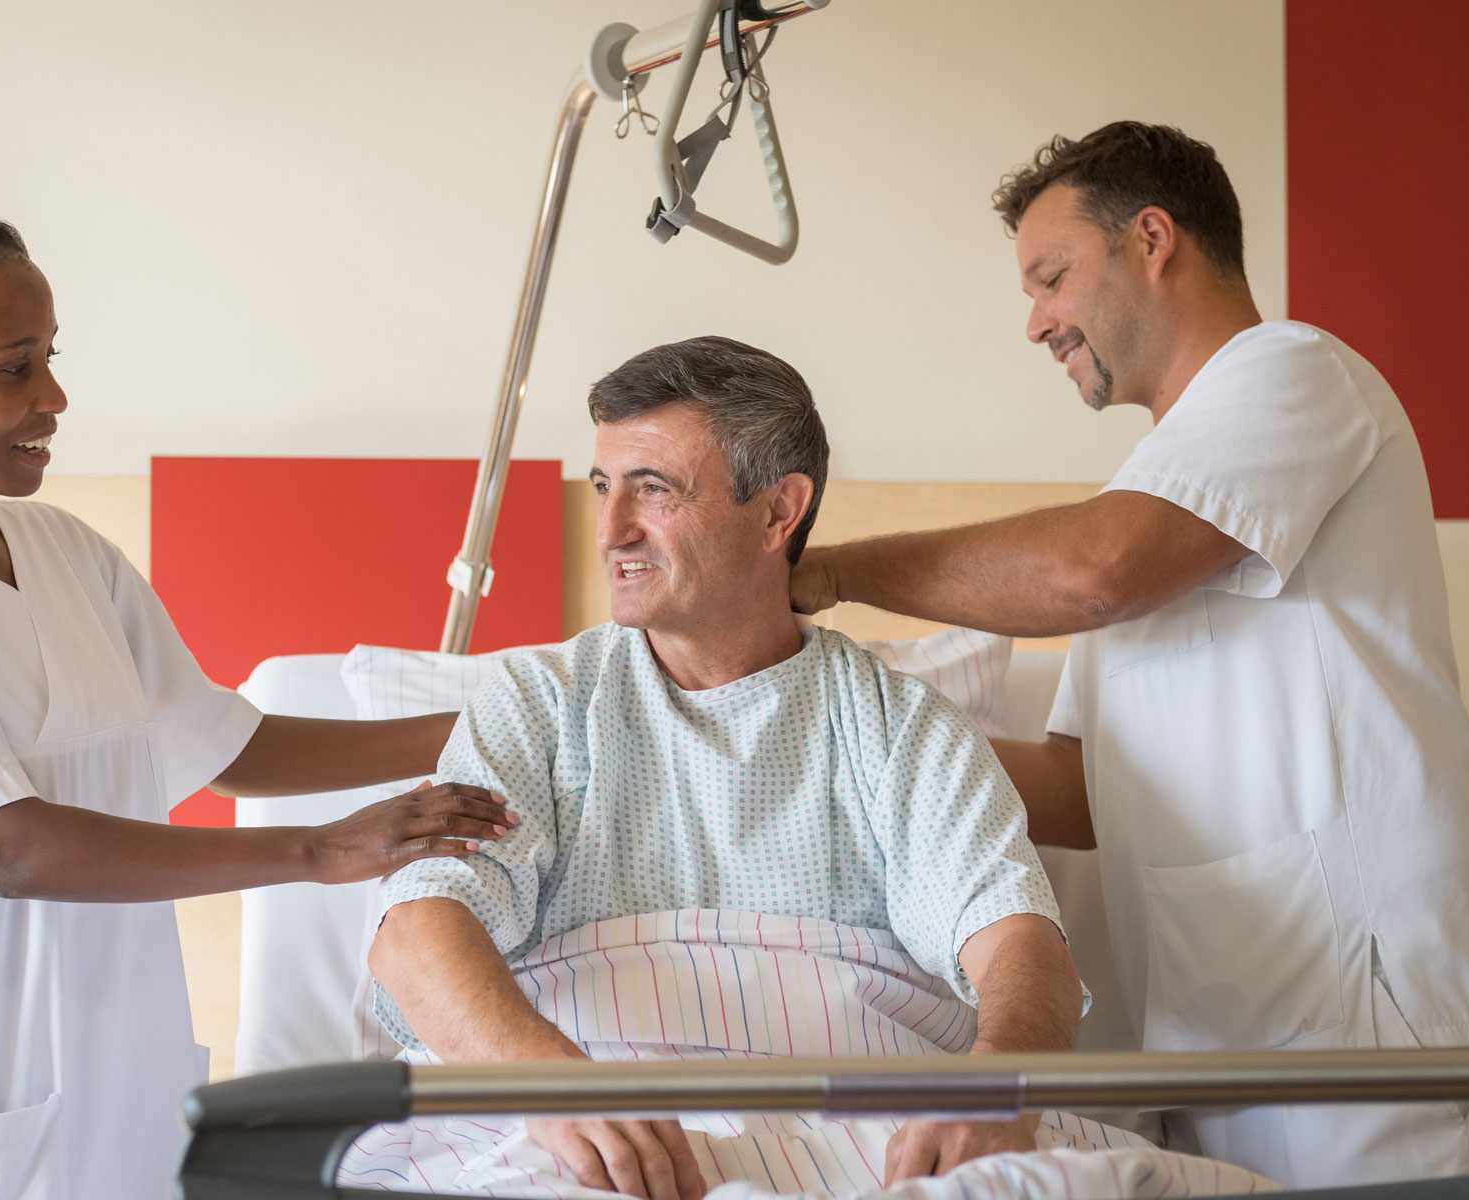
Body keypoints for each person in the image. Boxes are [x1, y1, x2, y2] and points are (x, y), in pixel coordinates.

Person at [790, 121, 1469, 1187]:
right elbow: (1080, 788)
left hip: (1365, 1020)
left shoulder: (1294, 374)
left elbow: (1095, 571)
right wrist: (841, 737)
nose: (1035, 323)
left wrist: (833, 573)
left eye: (1052, 277)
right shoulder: (1158, 481)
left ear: (1154, 238)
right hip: (1224, 1026)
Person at [0, 200, 515, 1200]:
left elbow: (228, 746)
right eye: (13, 366)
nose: (55, 395)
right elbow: (10, 849)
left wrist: (495, 721)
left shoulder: (69, 555)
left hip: (110, 1099)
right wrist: (319, 850)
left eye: (51, 357)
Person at [367, 336, 1088, 1197]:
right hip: (575, 1123)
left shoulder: (898, 725)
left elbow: (1019, 940)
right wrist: (552, 1086)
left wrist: (994, 1088)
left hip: (856, 1121)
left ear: (779, 511)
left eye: (654, 489)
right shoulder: (539, 702)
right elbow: (418, 929)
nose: (609, 531)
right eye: (603, 487)